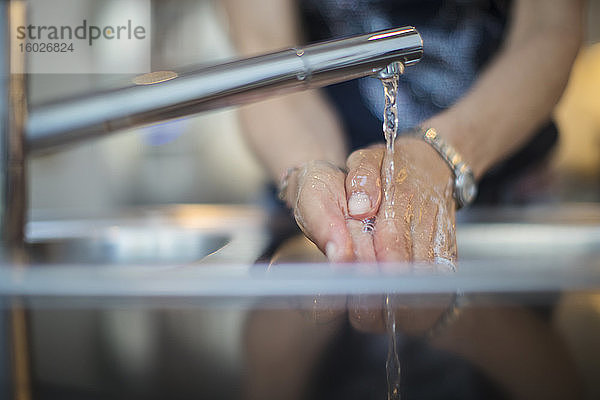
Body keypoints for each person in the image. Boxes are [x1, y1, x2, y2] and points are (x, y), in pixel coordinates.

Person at [222, 0, 584, 265]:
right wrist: (314, 171)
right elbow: (264, 52)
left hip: (504, 205)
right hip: (311, 216)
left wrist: (445, 155)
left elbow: (550, 27)